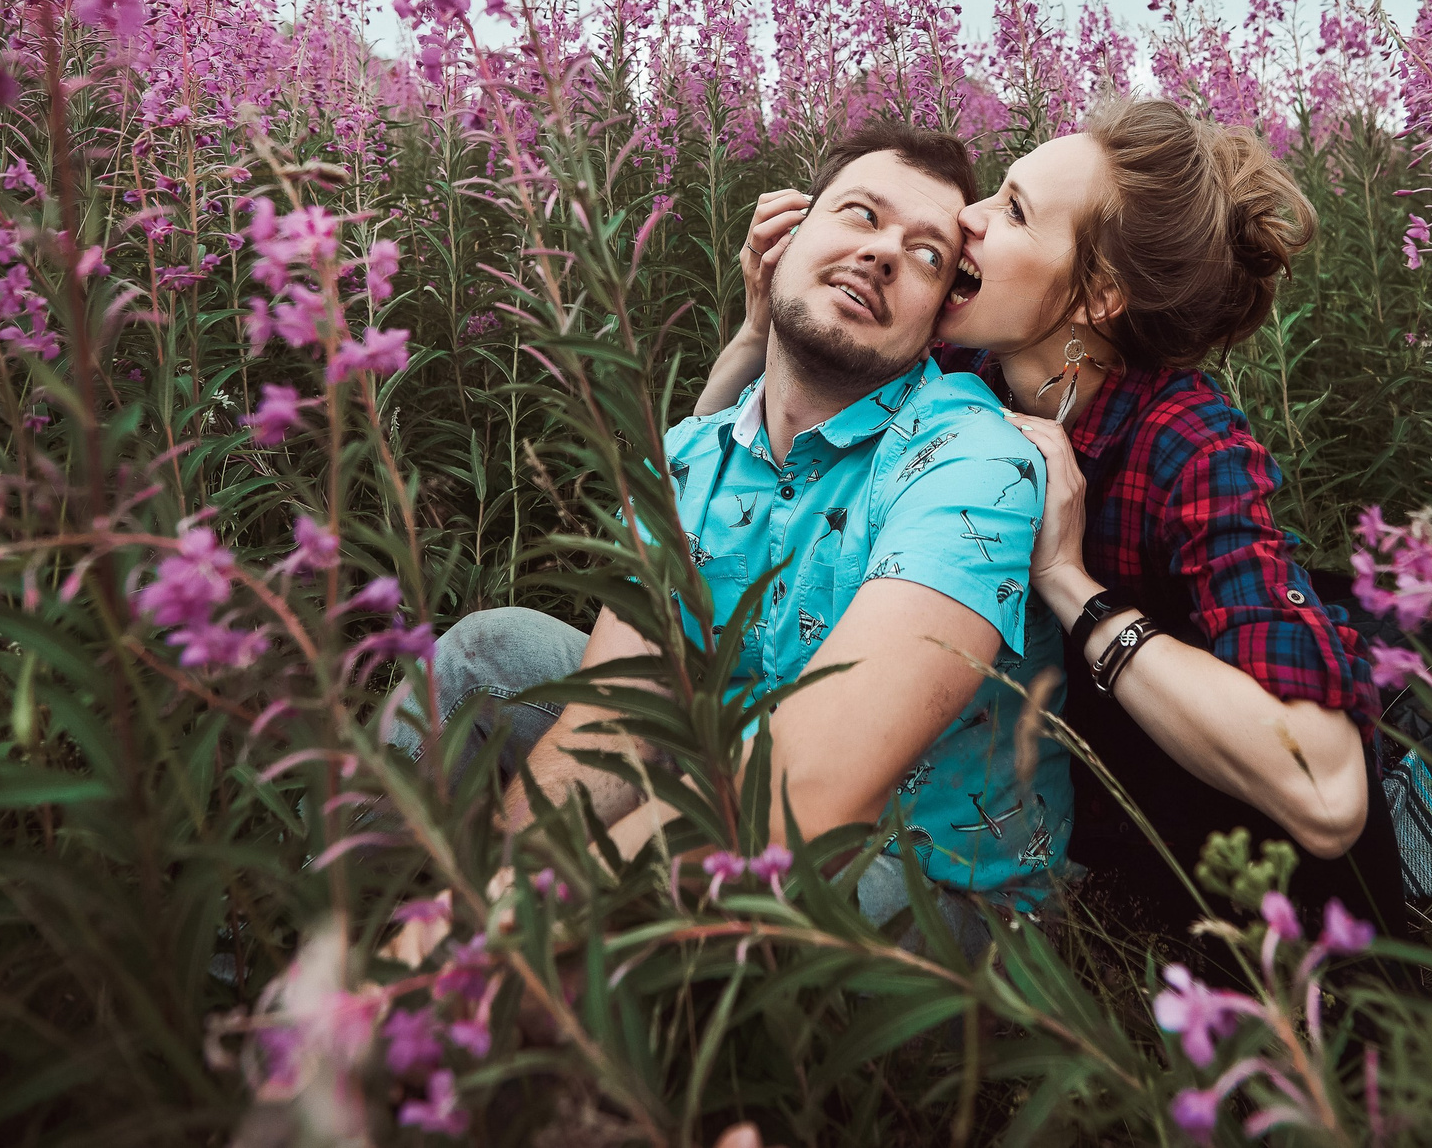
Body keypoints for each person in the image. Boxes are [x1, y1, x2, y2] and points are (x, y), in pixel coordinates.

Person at [696, 97, 1409, 947]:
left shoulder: (1188, 444)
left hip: (1207, 874)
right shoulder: (963, 362)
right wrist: (760, 328)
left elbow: (1329, 791)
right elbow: (712, 488)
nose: (968, 217)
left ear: (1098, 295)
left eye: (1014, 210)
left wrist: (1073, 584)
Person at [402, 121, 1073, 945]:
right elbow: (613, 717)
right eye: (861, 214)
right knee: (484, 654)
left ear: (938, 323)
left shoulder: (973, 458)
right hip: (736, 772)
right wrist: (505, 890)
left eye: (928, 255)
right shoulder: (695, 452)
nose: (883, 253)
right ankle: (318, 935)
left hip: (928, 882)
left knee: (736, 878)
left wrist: (504, 932)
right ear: (780, 242)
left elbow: (804, 793)